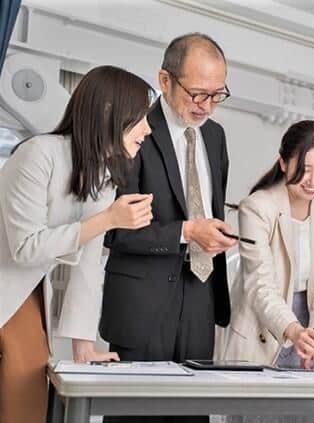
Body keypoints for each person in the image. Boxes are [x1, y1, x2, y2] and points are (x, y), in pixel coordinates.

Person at [0, 65, 154, 423]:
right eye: (141, 117)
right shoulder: (38, 154)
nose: (147, 128)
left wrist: (84, 347)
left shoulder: (102, 178)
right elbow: (26, 247)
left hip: (25, 294)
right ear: (109, 112)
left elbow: (88, 265)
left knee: (27, 403)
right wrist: (108, 219)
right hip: (13, 286)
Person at [100, 33, 237, 423]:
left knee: (191, 415)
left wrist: (214, 234)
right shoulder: (132, 129)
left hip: (201, 298)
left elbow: (207, 208)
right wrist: (186, 232)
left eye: (217, 95)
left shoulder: (216, 136)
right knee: (134, 416)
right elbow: (113, 229)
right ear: (165, 80)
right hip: (141, 305)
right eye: (197, 94)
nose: (206, 106)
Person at [223, 120, 314, 371]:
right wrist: (294, 331)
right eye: (304, 169)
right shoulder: (257, 206)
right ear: (284, 163)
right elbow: (259, 283)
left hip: (311, 320)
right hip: (261, 325)